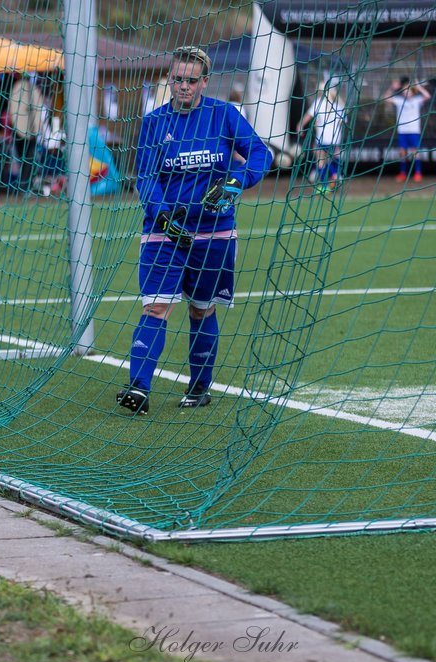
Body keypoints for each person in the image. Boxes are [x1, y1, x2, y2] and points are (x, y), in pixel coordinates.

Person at [118, 45, 272, 415]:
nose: (183, 86)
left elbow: (261, 154)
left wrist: (233, 185)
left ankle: (199, 387)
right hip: (165, 232)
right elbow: (147, 177)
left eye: (190, 80)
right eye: (177, 80)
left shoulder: (224, 115)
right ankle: (138, 388)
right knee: (156, 307)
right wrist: (162, 216)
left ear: (205, 81)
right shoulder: (155, 122)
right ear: (170, 80)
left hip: (214, 233)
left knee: (202, 310)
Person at [297, 81, 348, 191]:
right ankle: (335, 177)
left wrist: (300, 126)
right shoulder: (338, 106)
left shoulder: (318, 103)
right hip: (335, 139)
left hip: (323, 138)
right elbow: (344, 122)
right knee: (327, 159)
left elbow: (306, 118)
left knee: (321, 160)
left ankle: (326, 184)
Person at [383, 76, 431, 182]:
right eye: (404, 90)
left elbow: (428, 96)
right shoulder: (399, 100)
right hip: (402, 131)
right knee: (402, 152)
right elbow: (386, 98)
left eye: (408, 90)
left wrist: (419, 87)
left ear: (412, 91)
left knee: (415, 152)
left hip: (414, 131)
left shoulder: (417, 100)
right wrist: (392, 88)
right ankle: (403, 173)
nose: (406, 92)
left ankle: (418, 173)